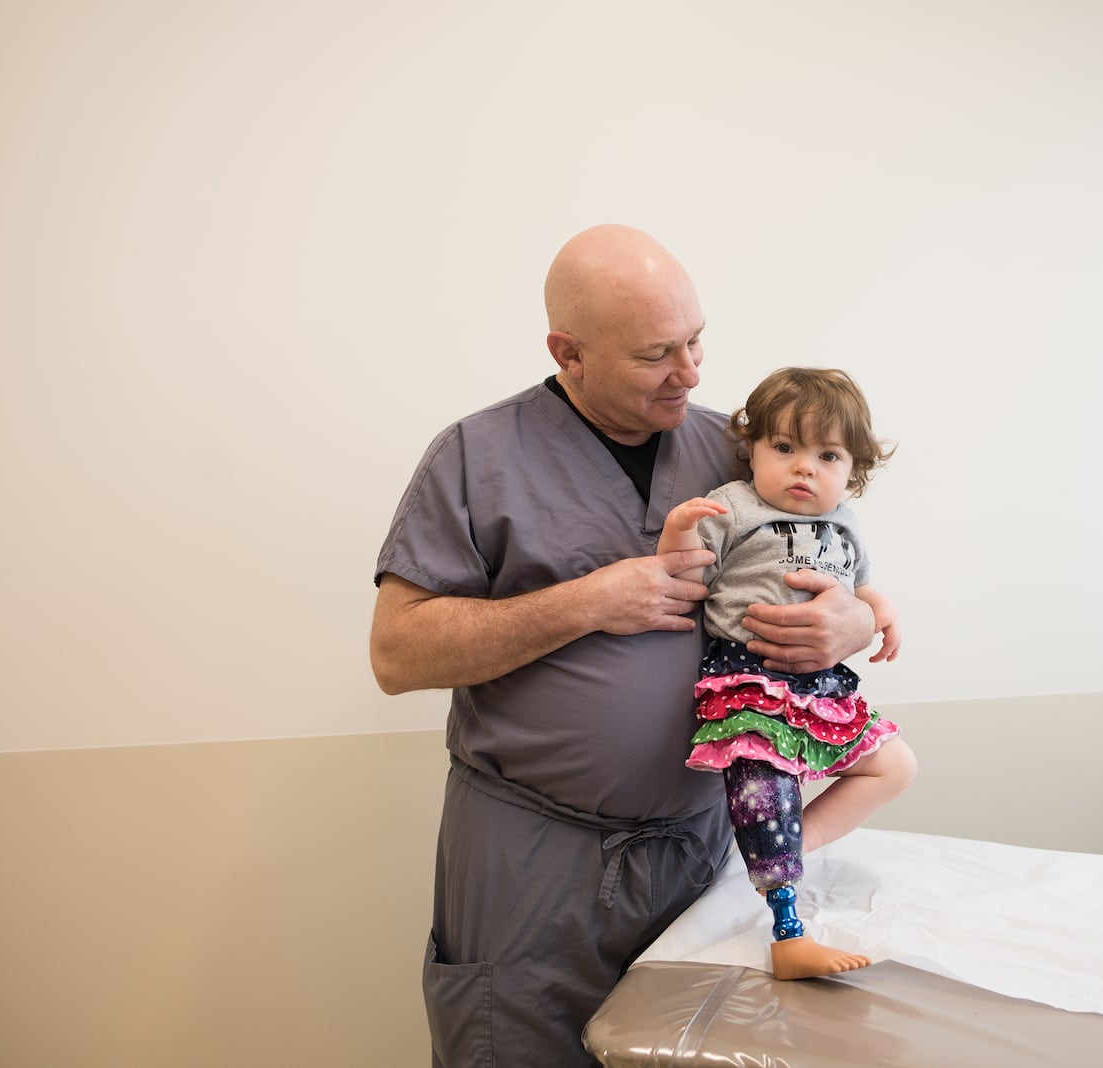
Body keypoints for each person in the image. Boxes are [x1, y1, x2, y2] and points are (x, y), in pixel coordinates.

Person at [369, 225, 879, 1068]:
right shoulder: (475, 457)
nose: (691, 372)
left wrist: (852, 620)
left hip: (699, 850)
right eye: (656, 355)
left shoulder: (741, 448)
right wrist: (591, 600)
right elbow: (398, 654)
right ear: (568, 352)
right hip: (532, 862)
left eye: (696, 340)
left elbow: (840, 560)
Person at [657, 367, 918, 981]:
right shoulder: (732, 507)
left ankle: (788, 851)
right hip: (750, 684)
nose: (805, 468)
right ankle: (788, 934)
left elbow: (862, 586)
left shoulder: (845, 522)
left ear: (851, 469)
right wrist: (676, 531)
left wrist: (883, 612)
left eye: (827, 455)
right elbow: (684, 574)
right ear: (751, 450)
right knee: (766, 790)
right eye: (784, 448)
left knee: (896, 765)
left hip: (820, 688)